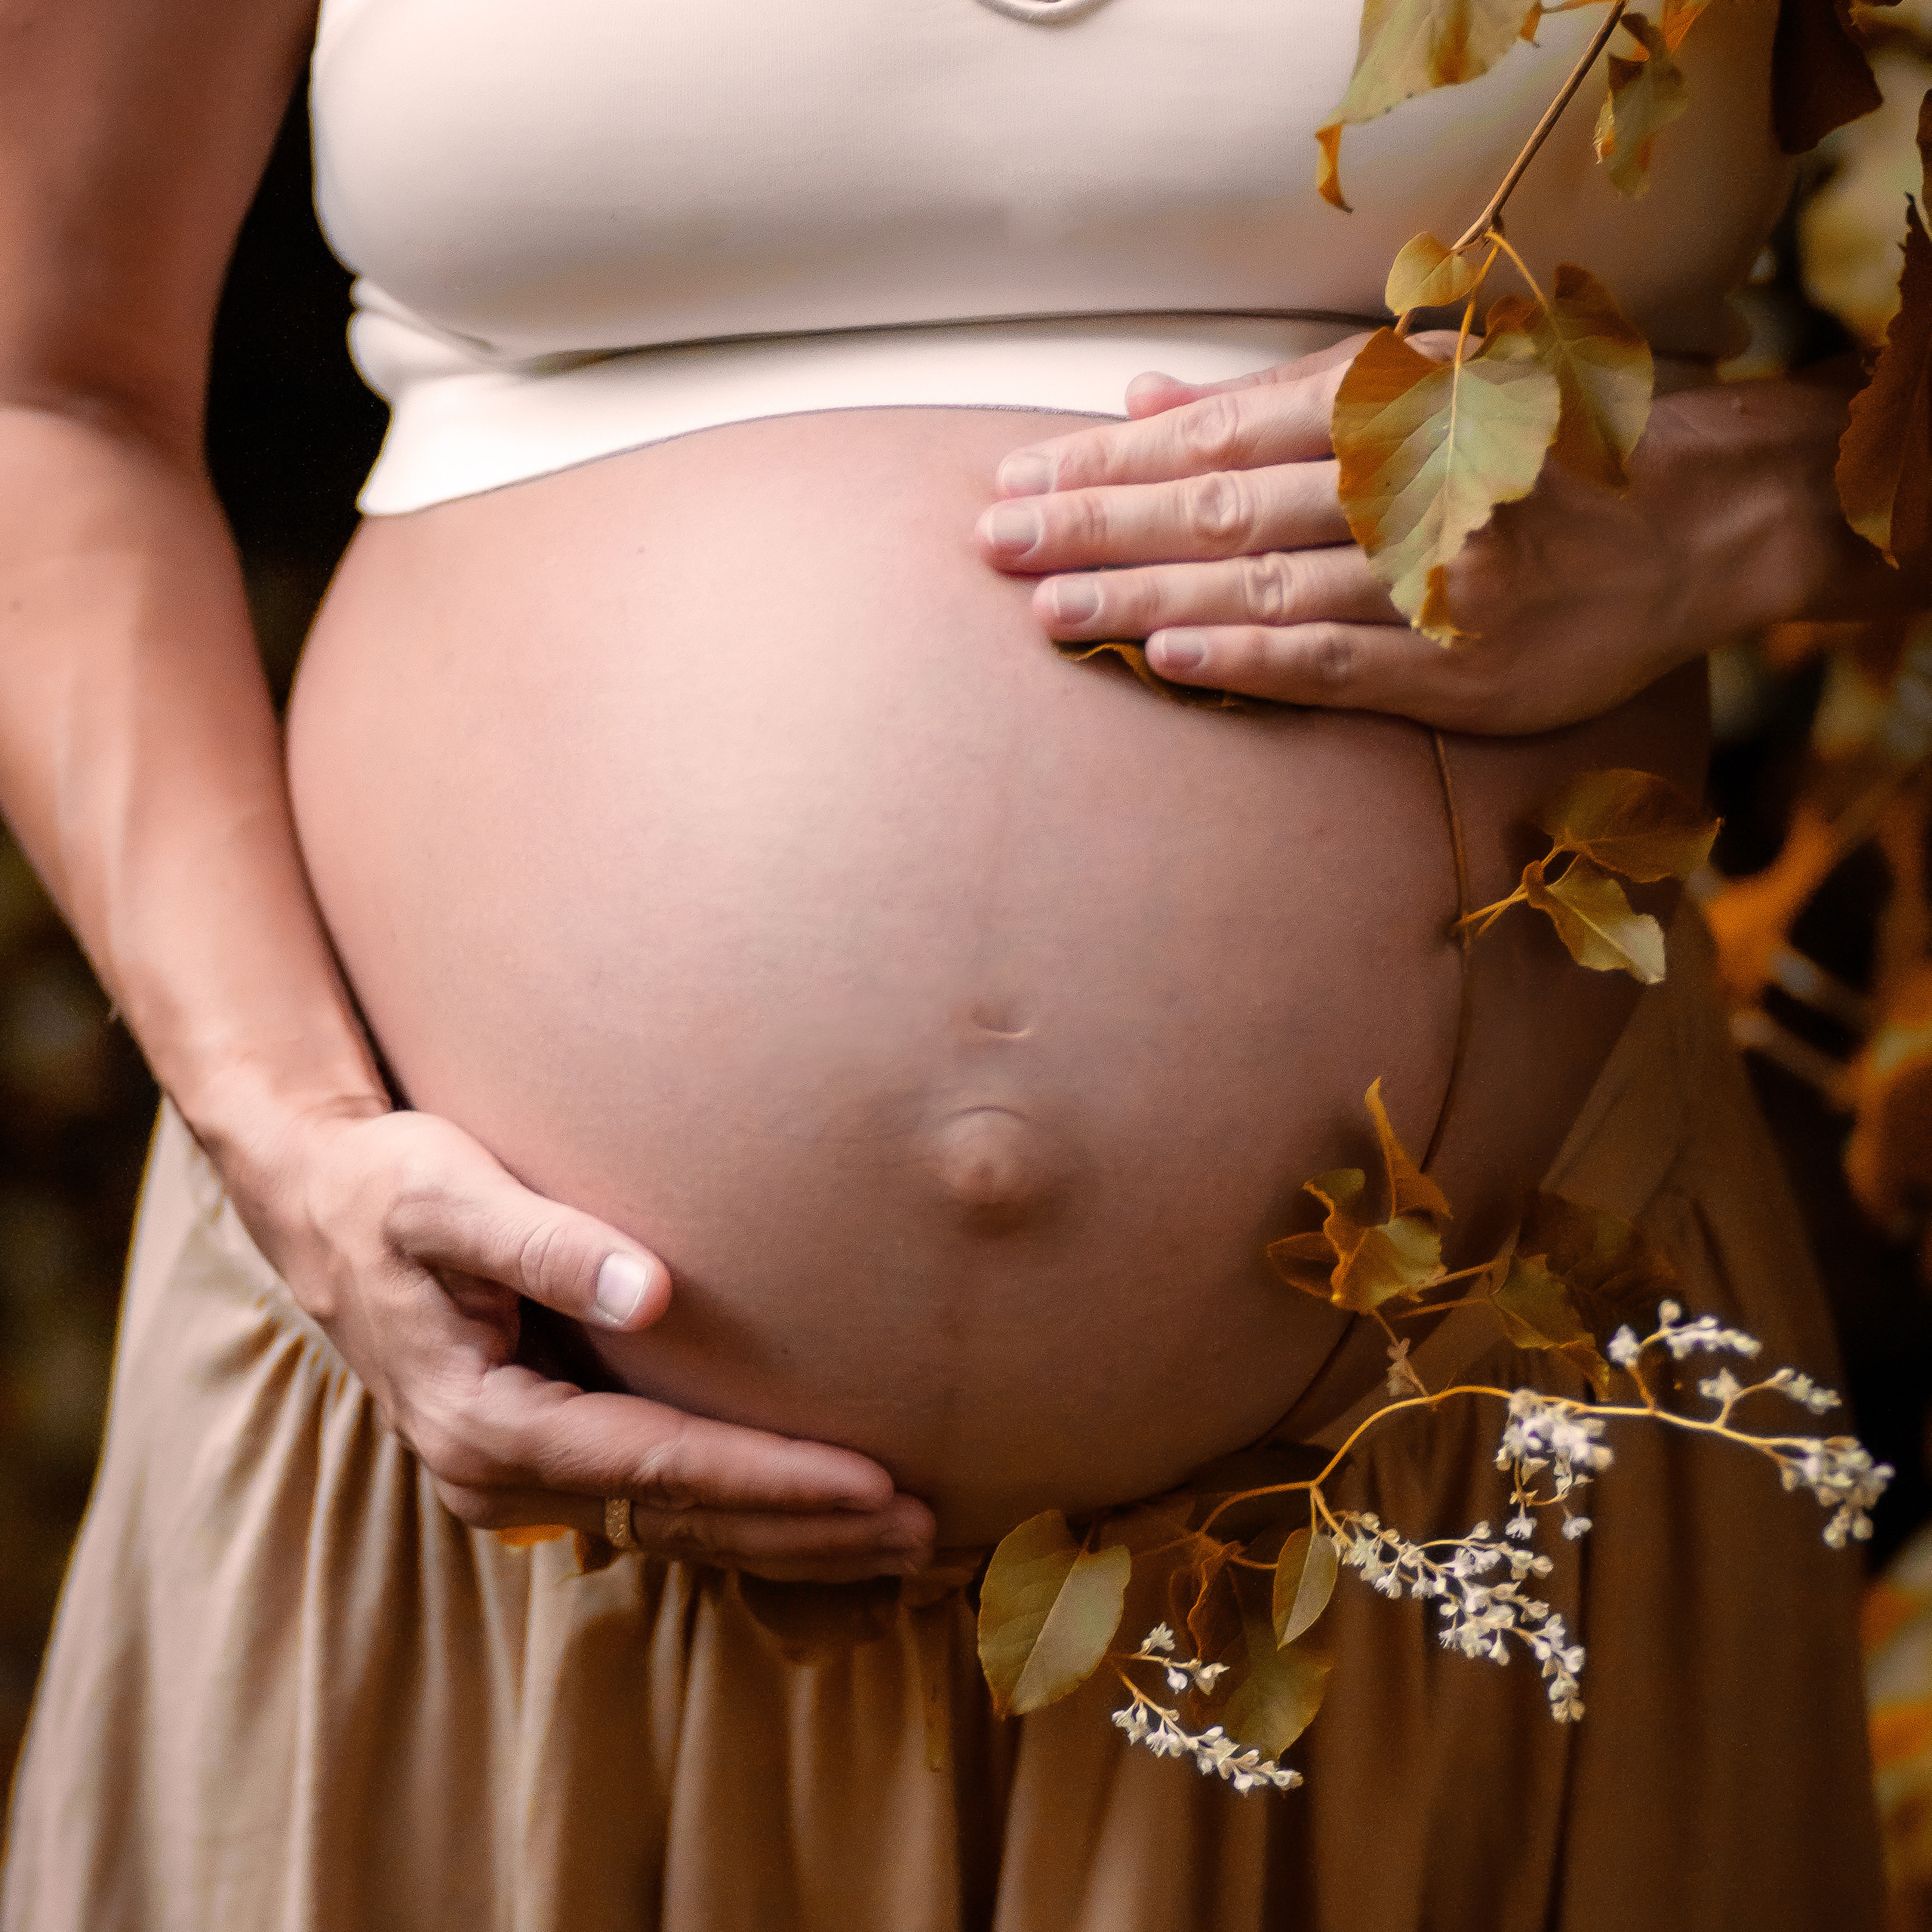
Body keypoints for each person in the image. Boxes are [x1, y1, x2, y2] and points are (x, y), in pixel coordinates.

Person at [0, 0, 1893, 1925]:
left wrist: (1745, 502)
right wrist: (292, 1137)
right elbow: (42, 395)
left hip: (1465, 1479)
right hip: (466, 1472)